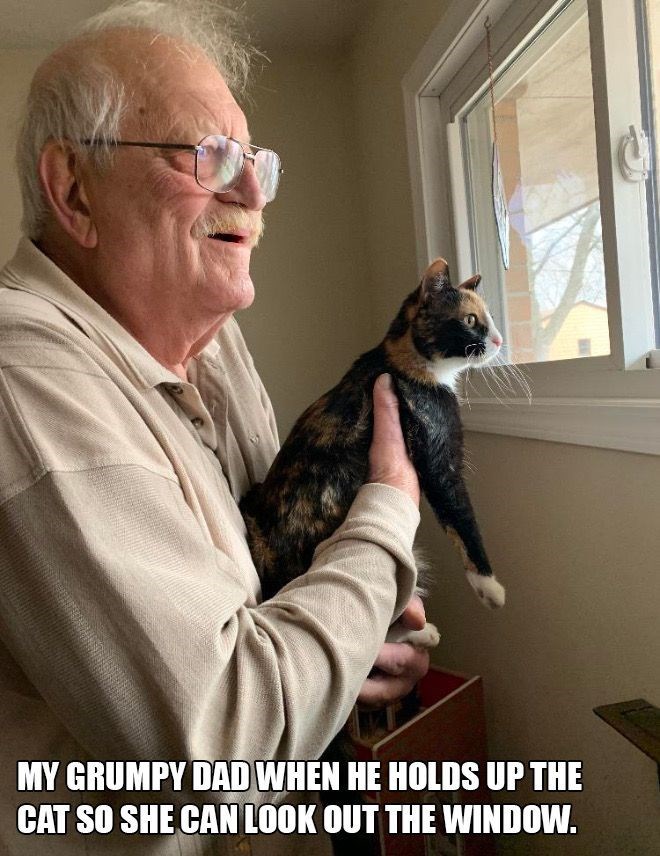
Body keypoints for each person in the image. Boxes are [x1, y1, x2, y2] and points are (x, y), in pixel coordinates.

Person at [0, 2, 429, 853]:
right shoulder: (21, 373)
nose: (250, 195)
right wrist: (386, 521)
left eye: (255, 162)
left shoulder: (214, 345)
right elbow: (220, 748)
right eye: (208, 156)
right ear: (74, 191)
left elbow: (271, 586)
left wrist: (365, 629)